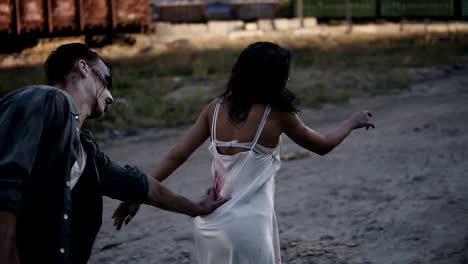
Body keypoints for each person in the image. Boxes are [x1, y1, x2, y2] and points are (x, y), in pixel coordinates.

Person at [113, 41, 375, 263]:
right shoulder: (278, 115)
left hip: (212, 224)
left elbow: (175, 156)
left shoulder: (213, 110)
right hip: (251, 225)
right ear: (275, 79)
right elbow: (323, 145)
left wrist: (139, 193)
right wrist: (353, 121)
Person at [0, 43, 226, 264]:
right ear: (83, 67)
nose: (110, 96)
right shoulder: (47, 100)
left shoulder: (86, 150)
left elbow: (139, 185)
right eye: (106, 80)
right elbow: (7, 181)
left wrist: (195, 208)